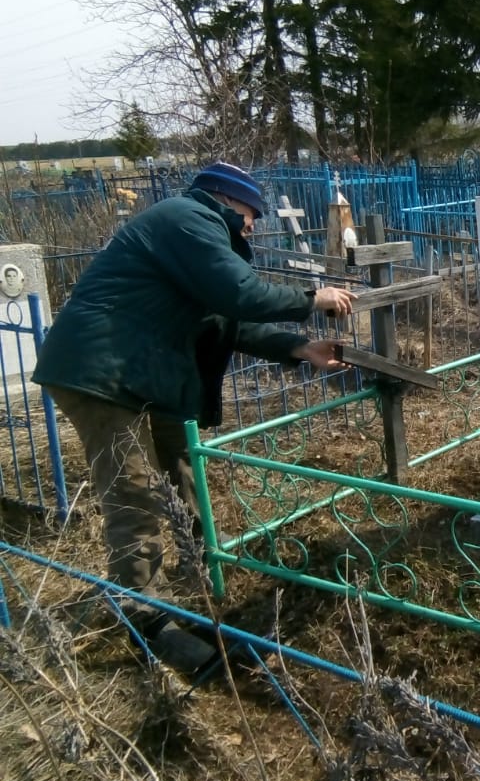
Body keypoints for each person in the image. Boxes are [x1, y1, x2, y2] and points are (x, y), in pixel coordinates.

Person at [33, 161, 357, 675]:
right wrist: (311, 297)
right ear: (228, 200)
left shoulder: (195, 240)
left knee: (181, 476)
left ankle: (196, 598)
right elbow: (239, 295)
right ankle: (148, 623)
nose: (253, 227)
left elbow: (228, 322)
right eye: (252, 216)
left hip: (140, 376)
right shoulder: (187, 219)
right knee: (134, 494)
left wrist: (302, 348)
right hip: (100, 374)